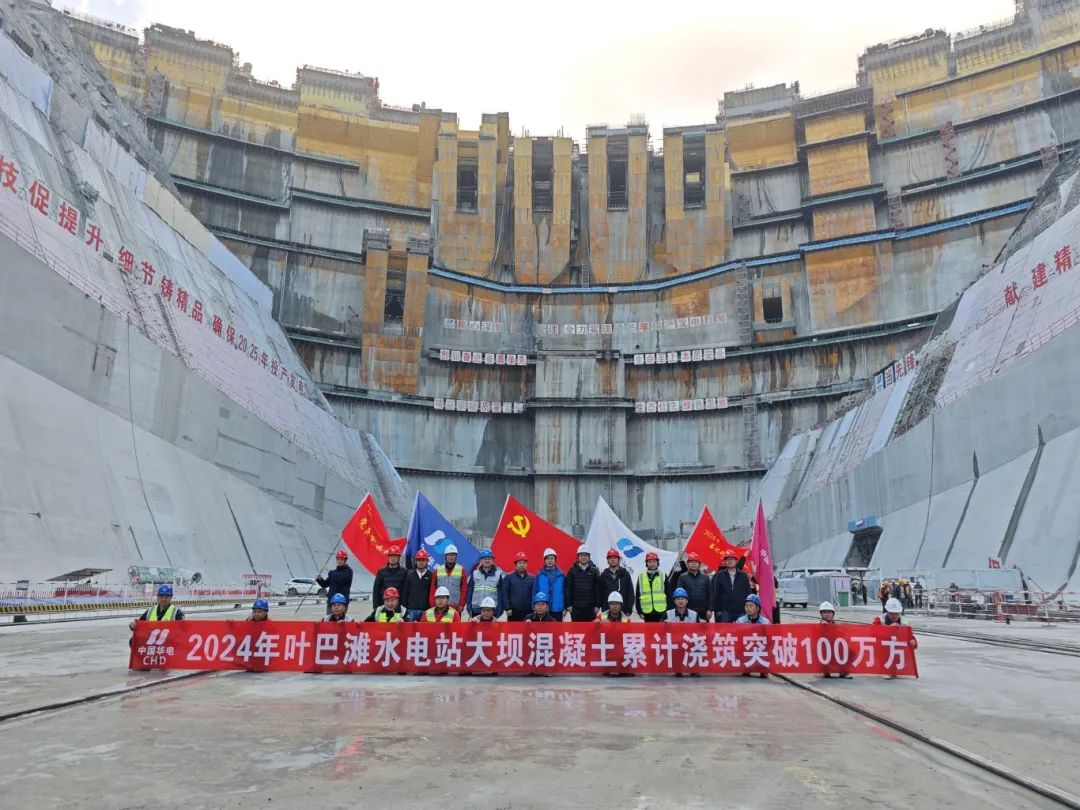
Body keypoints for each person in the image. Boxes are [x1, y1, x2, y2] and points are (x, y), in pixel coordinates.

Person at [564, 545, 601, 622]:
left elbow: (597, 589)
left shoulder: (594, 571)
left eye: (586, 555)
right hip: (575, 608)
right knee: (576, 628)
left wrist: (597, 605)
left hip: (590, 608)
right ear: (578, 557)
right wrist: (568, 605)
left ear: (589, 557)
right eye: (581, 555)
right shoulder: (572, 570)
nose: (583, 557)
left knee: (591, 628)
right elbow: (568, 588)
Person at [713, 550, 752, 622]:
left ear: (736, 561)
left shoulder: (743, 575)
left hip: (741, 609)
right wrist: (717, 609)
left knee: (742, 628)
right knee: (726, 629)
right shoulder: (720, 575)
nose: (730, 561)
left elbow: (748, 592)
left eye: (732, 559)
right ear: (725, 561)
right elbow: (717, 593)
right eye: (727, 559)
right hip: (726, 610)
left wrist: (749, 607)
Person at [429, 544, 468, 614]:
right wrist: (433, 603)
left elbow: (464, 589)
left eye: (453, 555)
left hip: (455, 606)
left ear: (456, 556)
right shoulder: (438, 570)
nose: (451, 557)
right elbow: (433, 588)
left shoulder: (461, 570)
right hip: (440, 606)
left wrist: (462, 604)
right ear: (445, 556)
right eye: (449, 555)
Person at [466, 548, 504, 619]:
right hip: (476, 609)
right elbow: (469, 592)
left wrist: (499, 610)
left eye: (489, 558)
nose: (487, 560)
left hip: (492, 610)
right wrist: (469, 608)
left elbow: (501, 594)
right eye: (484, 558)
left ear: (492, 560)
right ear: (481, 560)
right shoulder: (474, 574)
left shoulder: (498, 575)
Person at [818, 601, 851, 679]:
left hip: (835, 647)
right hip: (823, 649)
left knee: (849, 651)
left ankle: (843, 672)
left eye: (829, 612)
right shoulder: (818, 625)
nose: (827, 614)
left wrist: (843, 628)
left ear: (833, 614)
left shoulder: (835, 624)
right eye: (825, 612)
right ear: (821, 614)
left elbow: (841, 636)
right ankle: (825, 670)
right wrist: (822, 626)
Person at [676, 552, 712, 622]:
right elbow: (679, 595)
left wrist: (710, 609)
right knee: (688, 629)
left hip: (703, 611)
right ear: (687, 564)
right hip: (687, 611)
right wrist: (680, 609)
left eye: (695, 562)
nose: (693, 564)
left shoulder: (705, 577)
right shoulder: (682, 577)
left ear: (699, 564)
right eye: (691, 562)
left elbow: (710, 594)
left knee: (704, 629)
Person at [533, 548, 567, 621]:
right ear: (545, 560)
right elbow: (535, 592)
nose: (550, 560)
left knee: (557, 627)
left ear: (555, 560)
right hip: (542, 609)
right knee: (543, 628)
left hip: (557, 608)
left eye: (552, 558)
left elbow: (565, 592)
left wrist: (565, 607)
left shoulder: (561, 575)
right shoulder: (539, 575)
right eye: (548, 558)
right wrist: (534, 607)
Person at [599, 548, 635, 615]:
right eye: (610, 558)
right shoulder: (603, 575)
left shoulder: (625, 574)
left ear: (618, 560)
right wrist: (601, 607)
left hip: (623, 610)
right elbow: (600, 593)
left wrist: (629, 609)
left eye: (615, 558)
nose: (613, 560)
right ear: (607, 560)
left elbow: (630, 593)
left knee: (622, 623)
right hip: (607, 610)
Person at [501, 552, 535, 621]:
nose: (522, 565)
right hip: (513, 611)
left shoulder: (532, 578)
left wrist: (534, 608)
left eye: (524, 563)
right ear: (516, 564)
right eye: (519, 563)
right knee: (513, 628)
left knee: (527, 628)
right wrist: (507, 608)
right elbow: (505, 594)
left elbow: (534, 594)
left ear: (526, 564)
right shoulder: (508, 577)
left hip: (528, 611)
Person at [402, 548, 433, 621]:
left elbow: (432, 593)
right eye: (419, 560)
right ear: (415, 561)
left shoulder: (431, 575)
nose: (421, 562)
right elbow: (405, 592)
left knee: (426, 628)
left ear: (427, 561)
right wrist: (405, 607)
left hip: (426, 610)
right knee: (410, 628)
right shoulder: (409, 575)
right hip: (411, 610)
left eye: (423, 560)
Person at [636, 551, 668, 622]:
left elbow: (669, 594)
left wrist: (668, 611)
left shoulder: (663, 575)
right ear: (646, 564)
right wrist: (639, 612)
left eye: (654, 561)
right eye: (650, 562)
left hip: (661, 611)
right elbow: (638, 595)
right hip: (647, 612)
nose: (652, 564)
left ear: (657, 563)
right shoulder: (641, 577)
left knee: (661, 629)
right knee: (649, 629)